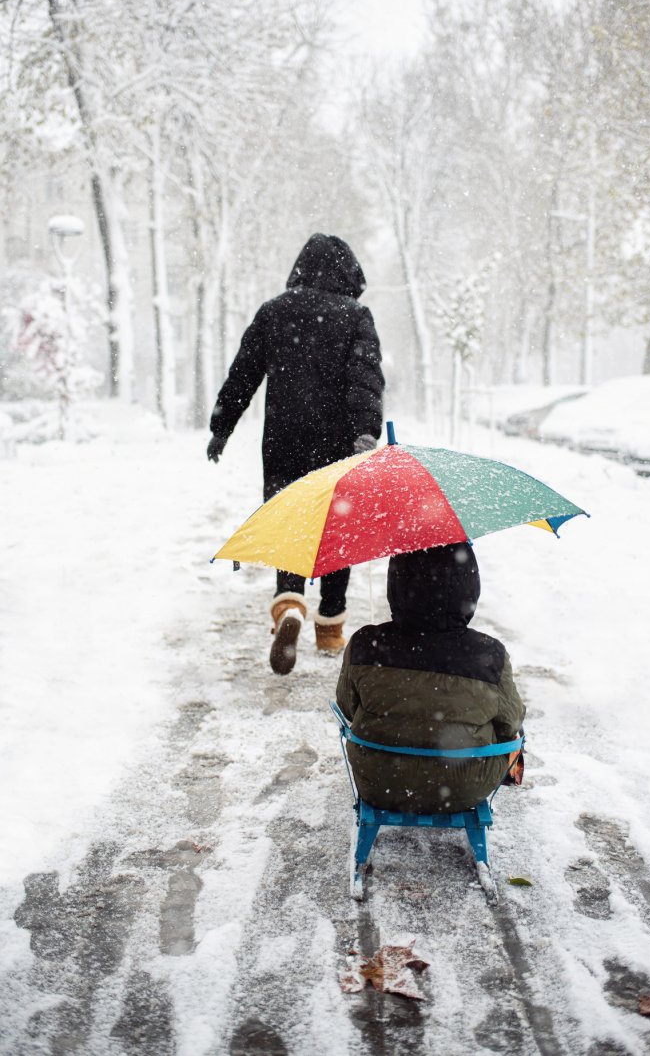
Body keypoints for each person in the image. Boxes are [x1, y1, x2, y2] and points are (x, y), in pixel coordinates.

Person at [207, 233, 384, 675]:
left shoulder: (274, 312)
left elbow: (243, 373)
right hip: (338, 444)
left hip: (284, 441)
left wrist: (221, 427)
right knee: (335, 526)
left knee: (291, 520)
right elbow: (366, 379)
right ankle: (330, 624)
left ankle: (289, 603)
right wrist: (365, 431)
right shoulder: (355, 316)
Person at [335, 541, 525, 813]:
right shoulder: (489, 654)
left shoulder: (366, 644)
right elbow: (510, 724)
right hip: (465, 786)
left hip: (379, 780)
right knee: (509, 728)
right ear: (469, 587)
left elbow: (347, 707)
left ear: (396, 585)